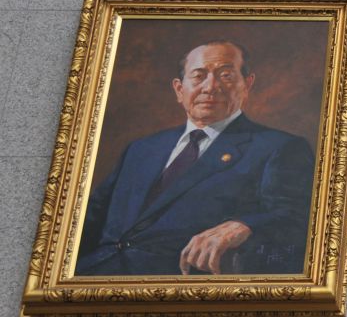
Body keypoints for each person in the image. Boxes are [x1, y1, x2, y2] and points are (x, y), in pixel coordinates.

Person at [75, 40, 315, 276]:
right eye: (199, 76)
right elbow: (91, 217)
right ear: (179, 90)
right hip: (95, 274)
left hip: (177, 281)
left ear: (247, 85)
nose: (210, 87)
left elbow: (299, 218)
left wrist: (245, 225)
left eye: (226, 76)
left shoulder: (279, 148)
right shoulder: (142, 149)